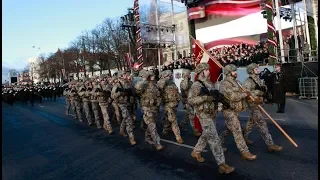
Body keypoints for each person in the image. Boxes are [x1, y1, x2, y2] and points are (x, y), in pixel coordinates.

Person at [188, 63, 234, 174]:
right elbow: (191, 100)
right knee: (214, 138)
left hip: (211, 113)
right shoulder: (196, 85)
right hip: (203, 114)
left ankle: (196, 151)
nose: (209, 71)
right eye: (207, 70)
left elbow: (214, 97)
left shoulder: (210, 84)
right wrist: (205, 98)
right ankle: (222, 164)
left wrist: (220, 104)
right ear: (201, 72)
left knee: (206, 135)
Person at [219, 64, 257, 161]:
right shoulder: (224, 84)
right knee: (237, 130)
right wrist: (245, 94)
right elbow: (232, 97)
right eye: (233, 71)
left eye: (235, 70)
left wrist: (253, 97)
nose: (236, 72)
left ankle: (217, 144)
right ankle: (244, 151)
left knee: (229, 129)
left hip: (235, 110)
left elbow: (244, 93)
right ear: (228, 73)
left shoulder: (237, 82)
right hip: (228, 110)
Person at [242, 63, 283, 152]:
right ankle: (270, 144)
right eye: (255, 68)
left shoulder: (258, 79)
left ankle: (243, 137)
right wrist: (256, 93)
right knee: (262, 124)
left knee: (251, 123)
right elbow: (245, 93)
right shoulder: (248, 81)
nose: (258, 69)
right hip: (253, 105)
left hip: (259, 104)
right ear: (251, 70)